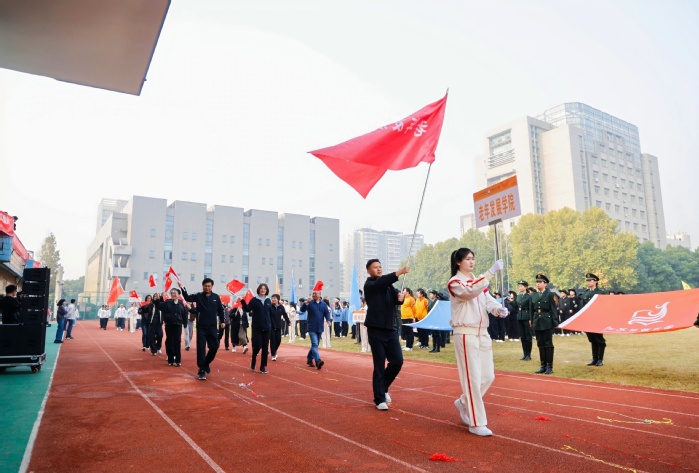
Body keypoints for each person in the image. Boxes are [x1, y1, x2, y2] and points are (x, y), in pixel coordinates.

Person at [447, 248, 506, 436]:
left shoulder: (479, 282)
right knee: (472, 379)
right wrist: (490, 272)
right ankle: (476, 423)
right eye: (467, 259)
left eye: (473, 258)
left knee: (488, 376)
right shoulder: (455, 283)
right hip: (466, 333)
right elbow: (470, 292)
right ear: (458, 262)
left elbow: (487, 300)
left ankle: (464, 402)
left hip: (482, 333)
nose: (471, 262)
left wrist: (498, 309)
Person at [363, 258, 409, 411]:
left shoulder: (389, 286)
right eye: (375, 267)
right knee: (379, 365)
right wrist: (399, 272)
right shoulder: (370, 285)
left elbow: (397, 299)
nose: (378, 269)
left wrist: (400, 299)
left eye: (380, 266)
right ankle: (379, 398)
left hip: (390, 330)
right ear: (369, 271)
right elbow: (381, 282)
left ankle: (382, 387)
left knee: (397, 361)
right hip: (376, 330)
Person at [180, 278, 226, 380]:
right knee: (201, 348)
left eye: (209, 286)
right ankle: (202, 370)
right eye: (205, 286)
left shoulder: (216, 297)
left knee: (214, 347)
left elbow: (220, 310)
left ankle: (206, 363)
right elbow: (187, 297)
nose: (207, 288)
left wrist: (222, 321)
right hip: (201, 327)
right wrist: (182, 288)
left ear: (212, 287)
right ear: (203, 286)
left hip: (212, 327)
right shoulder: (198, 296)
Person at [531, 274, 560, 375]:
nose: (538, 284)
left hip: (547, 321)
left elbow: (553, 309)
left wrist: (555, 322)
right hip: (537, 321)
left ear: (545, 284)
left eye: (540, 282)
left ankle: (549, 366)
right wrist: (531, 320)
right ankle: (542, 366)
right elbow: (532, 309)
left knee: (548, 344)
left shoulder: (550, 295)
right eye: (537, 282)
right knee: (540, 344)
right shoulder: (534, 295)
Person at [241, 283, 273, 374]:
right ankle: (254, 357)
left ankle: (263, 366)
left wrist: (272, 324)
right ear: (258, 290)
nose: (263, 290)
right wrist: (242, 301)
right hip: (257, 327)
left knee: (265, 348)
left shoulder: (268, 300)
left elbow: (270, 313)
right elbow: (247, 309)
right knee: (258, 345)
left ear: (266, 290)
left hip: (267, 327)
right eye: (261, 288)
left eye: (264, 289)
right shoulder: (254, 300)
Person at [299, 289, 331, 370]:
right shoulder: (310, 303)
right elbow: (302, 310)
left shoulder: (323, 304)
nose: (314, 295)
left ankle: (309, 359)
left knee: (315, 345)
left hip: (320, 327)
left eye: (315, 294)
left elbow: (326, 313)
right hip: (311, 327)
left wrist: (328, 320)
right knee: (315, 344)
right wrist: (306, 303)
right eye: (313, 293)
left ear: (320, 295)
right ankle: (318, 361)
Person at [580, 273, 607, 366]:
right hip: (588, 319)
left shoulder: (601, 293)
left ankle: (600, 359)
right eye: (587, 280)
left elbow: (604, 307)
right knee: (592, 339)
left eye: (590, 280)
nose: (588, 282)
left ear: (595, 281)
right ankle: (594, 359)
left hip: (597, 319)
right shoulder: (585, 293)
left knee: (599, 340)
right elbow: (582, 307)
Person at [158, 288, 189, 366]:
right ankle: (171, 359)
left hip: (178, 325)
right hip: (169, 324)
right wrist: (159, 298)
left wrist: (185, 324)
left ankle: (178, 360)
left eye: (175, 293)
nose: (173, 294)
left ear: (178, 295)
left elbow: (184, 314)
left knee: (177, 341)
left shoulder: (181, 303)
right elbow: (159, 306)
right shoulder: (167, 303)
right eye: (172, 293)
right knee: (169, 341)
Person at [515, 281, 533, 360]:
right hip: (520, 317)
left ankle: (528, 354)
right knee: (522, 336)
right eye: (519, 286)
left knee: (527, 336)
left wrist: (530, 319)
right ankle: (524, 354)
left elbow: (531, 308)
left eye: (521, 286)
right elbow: (517, 306)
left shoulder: (529, 296)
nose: (520, 288)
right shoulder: (518, 296)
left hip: (526, 317)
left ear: (526, 287)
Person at [269, 294, 290, 361]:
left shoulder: (281, 307)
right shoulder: (269, 307)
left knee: (278, 340)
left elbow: (285, 315)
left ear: (278, 299)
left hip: (278, 326)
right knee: (272, 340)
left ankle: (274, 350)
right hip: (271, 326)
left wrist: (288, 321)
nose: (273, 299)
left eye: (274, 298)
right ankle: (273, 355)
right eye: (272, 298)